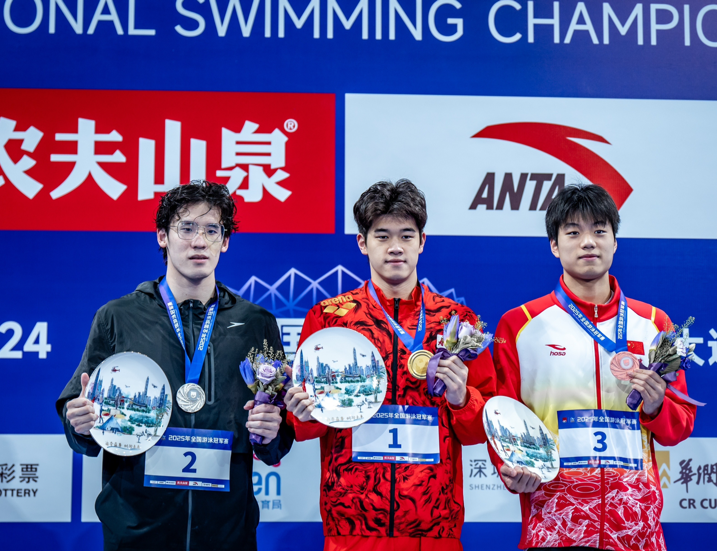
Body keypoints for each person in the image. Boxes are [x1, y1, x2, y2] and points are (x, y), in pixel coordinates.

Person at [56, 180, 293, 551]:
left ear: (225, 241)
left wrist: (272, 432)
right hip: (136, 533)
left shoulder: (256, 323)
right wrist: (81, 423)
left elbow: (276, 434)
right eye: (187, 228)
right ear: (162, 237)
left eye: (212, 230)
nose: (199, 242)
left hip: (227, 534)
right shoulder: (118, 317)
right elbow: (79, 418)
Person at [284, 179, 496, 551]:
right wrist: (302, 412)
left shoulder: (458, 322)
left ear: (422, 241)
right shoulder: (330, 318)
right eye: (382, 236)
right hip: (352, 523)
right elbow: (304, 426)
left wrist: (462, 399)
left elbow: (481, 430)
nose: (395, 247)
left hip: (435, 524)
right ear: (362, 242)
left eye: (406, 236)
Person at [489, 184, 696, 551]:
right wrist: (512, 469)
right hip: (555, 523)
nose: (588, 242)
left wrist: (656, 406)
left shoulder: (654, 323)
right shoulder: (520, 325)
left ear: (615, 242)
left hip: (635, 526)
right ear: (554, 245)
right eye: (573, 232)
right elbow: (503, 416)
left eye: (600, 231)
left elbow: (679, 426)